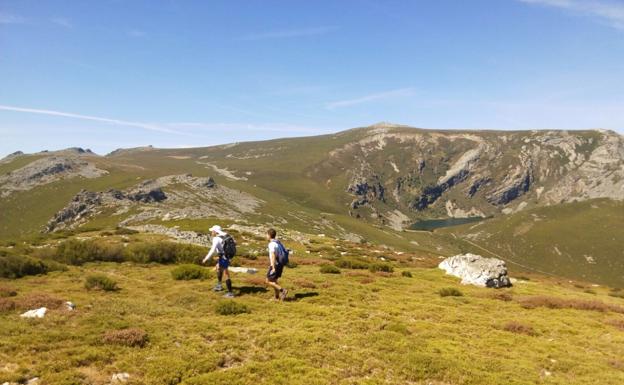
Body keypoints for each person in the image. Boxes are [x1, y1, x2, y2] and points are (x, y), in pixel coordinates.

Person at [202, 225, 234, 298]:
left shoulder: (216, 239)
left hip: (224, 257)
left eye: (212, 231)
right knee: (218, 268)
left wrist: (206, 258)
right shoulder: (226, 235)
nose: (211, 233)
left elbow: (212, 250)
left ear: (215, 232)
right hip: (227, 256)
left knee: (226, 273)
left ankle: (230, 293)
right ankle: (219, 285)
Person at [266, 228, 288, 301]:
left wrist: (273, 267)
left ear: (269, 235)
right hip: (280, 264)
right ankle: (276, 297)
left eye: (266, 234)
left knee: (268, 281)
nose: (266, 236)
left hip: (275, 264)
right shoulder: (278, 243)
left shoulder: (272, 244)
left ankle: (283, 290)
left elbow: (273, 255)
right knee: (274, 281)